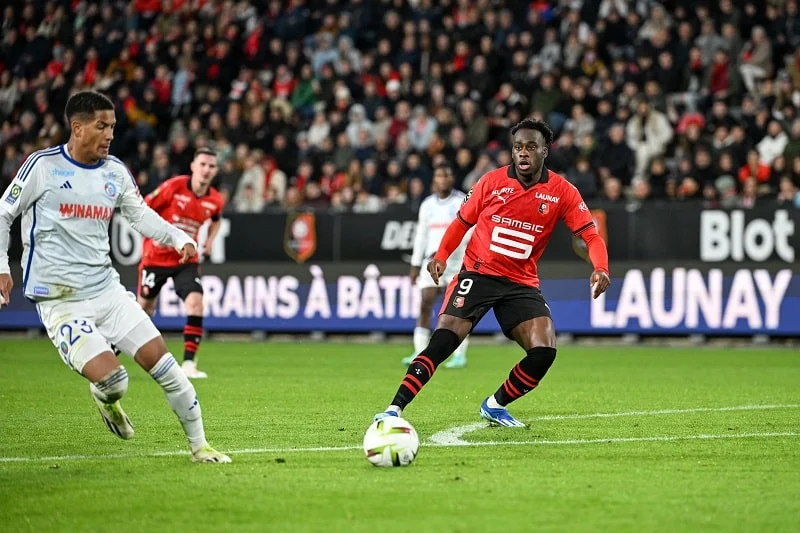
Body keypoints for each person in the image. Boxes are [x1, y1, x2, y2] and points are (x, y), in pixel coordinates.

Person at [0, 91, 230, 463]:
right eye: (101, 126)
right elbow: (3, 213)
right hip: (60, 300)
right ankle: (106, 398)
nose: (109, 134)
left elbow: (139, 214)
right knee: (114, 380)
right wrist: (0, 265)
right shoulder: (43, 166)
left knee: (168, 369)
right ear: (77, 128)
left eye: (112, 127)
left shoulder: (115, 171)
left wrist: (178, 236)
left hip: (107, 291)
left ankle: (200, 447)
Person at [374, 119, 611, 427]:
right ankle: (394, 409)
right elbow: (461, 223)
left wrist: (601, 269)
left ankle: (495, 404)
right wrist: (442, 256)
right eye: (517, 147)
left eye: (530, 147)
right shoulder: (490, 182)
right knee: (443, 342)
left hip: (520, 282)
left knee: (544, 350)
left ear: (545, 151)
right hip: (478, 273)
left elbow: (590, 235)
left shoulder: (562, 192)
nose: (523, 153)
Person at [137, 147, 225, 379]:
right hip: (155, 257)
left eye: (211, 166)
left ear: (215, 171)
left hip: (186, 259)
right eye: (203, 164)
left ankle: (189, 364)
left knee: (196, 303)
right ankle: (113, 355)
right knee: (143, 310)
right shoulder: (173, 186)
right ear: (193, 166)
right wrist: (154, 236)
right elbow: (143, 208)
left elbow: (216, 219)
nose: (206, 170)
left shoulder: (215, 200)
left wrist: (210, 240)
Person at [403, 164, 472, 369]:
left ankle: (460, 354)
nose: (443, 180)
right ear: (434, 180)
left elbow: (468, 232)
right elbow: (421, 235)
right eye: (439, 176)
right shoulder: (427, 205)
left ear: (452, 178)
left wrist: (447, 252)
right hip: (431, 262)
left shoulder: (462, 201)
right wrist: (415, 264)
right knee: (425, 302)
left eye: (446, 175)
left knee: (458, 309)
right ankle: (419, 350)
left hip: (456, 262)